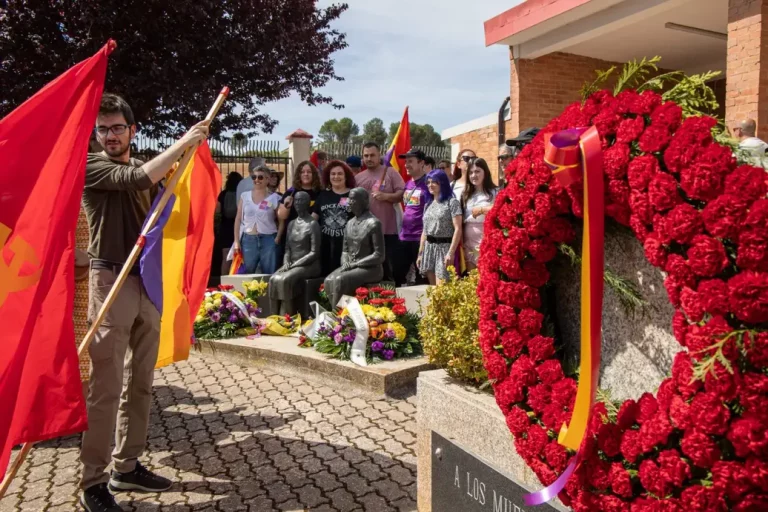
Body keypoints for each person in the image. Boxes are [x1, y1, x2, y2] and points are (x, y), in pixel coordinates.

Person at [80, 93, 209, 512]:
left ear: (132, 130)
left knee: (140, 382)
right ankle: (93, 482)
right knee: (106, 386)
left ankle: (127, 465)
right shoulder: (92, 166)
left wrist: (183, 163)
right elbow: (138, 180)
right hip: (110, 279)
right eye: (104, 129)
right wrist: (185, 142)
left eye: (118, 127)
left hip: (146, 280)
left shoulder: (142, 168)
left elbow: (155, 184)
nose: (111, 135)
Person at [323, 188, 385, 307]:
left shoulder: (373, 223)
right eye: (349, 199)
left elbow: (379, 255)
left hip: (371, 268)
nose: (350, 202)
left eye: (353, 199)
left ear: (363, 201)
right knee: (328, 280)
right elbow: (345, 250)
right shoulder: (349, 223)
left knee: (340, 280)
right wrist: (345, 262)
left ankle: (339, 318)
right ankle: (338, 313)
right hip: (350, 265)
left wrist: (355, 264)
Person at [355, 142, 405, 282]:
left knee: (388, 270)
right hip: (365, 232)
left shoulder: (390, 172)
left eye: (372, 155)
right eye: (366, 155)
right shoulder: (358, 178)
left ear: (379, 155)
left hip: (387, 231)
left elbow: (402, 194)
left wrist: (387, 197)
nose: (369, 158)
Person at [269, 191, 322, 315]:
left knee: (284, 280)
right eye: (296, 200)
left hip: (310, 265)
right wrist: (286, 262)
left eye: (302, 200)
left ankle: (287, 317)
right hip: (292, 263)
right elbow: (287, 247)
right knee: (273, 279)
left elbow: (314, 252)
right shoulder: (291, 224)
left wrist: (295, 265)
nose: (298, 203)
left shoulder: (312, 224)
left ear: (308, 204)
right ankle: (273, 317)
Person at [418, 170, 463, 285]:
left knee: (442, 289)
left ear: (442, 183)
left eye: (434, 182)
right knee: (432, 291)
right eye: (428, 182)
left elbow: (458, 229)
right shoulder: (428, 204)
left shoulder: (452, 203)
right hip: (429, 249)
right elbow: (425, 231)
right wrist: (420, 253)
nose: (430, 185)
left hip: (444, 248)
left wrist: (451, 253)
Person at [233, 166, 281, 274]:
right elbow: (238, 219)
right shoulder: (244, 196)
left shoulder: (274, 198)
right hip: (248, 239)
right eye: (254, 177)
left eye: (260, 177)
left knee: (268, 273)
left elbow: (281, 220)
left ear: (267, 179)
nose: (256, 180)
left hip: (268, 239)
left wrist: (278, 237)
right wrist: (236, 241)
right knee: (246, 274)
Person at [313, 160, 356, 275]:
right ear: (328, 176)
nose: (336, 176)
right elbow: (313, 219)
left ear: (346, 176)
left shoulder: (353, 195)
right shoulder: (323, 195)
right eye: (333, 174)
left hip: (347, 247)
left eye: (340, 174)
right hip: (325, 245)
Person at [395, 148, 430, 286]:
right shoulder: (408, 183)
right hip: (404, 237)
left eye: (411, 161)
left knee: (422, 277)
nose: (406, 165)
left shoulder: (429, 183)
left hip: (420, 238)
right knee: (398, 275)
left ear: (421, 163)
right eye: (406, 161)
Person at [462, 158, 497, 270]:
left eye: (477, 171)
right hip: (467, 242)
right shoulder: (465, 194)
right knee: (471, 281)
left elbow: (500, 210)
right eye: (471, 172)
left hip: (486, 241)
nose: (473, 175)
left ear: (485, 173)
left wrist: (482, 209)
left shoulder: (494, 192)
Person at [217, 172, 243, 275]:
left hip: (225, 227)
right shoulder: (241, 194)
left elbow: (217, 211)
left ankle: (223, 281)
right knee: (238, 256)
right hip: (238, 227)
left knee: (225, 257)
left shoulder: (223, 194)